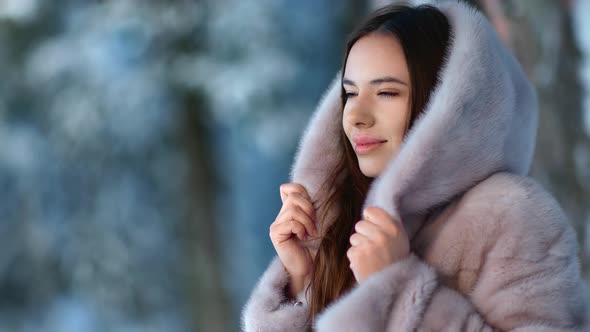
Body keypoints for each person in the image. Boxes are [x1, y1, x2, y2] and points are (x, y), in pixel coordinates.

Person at [241, 1, 590, 331]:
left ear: (445, 106)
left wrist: (397, 287)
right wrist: (304, 283)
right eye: (350, 94)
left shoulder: (511, 214)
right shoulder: (340, 219)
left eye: (387, 93)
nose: (357, 117)